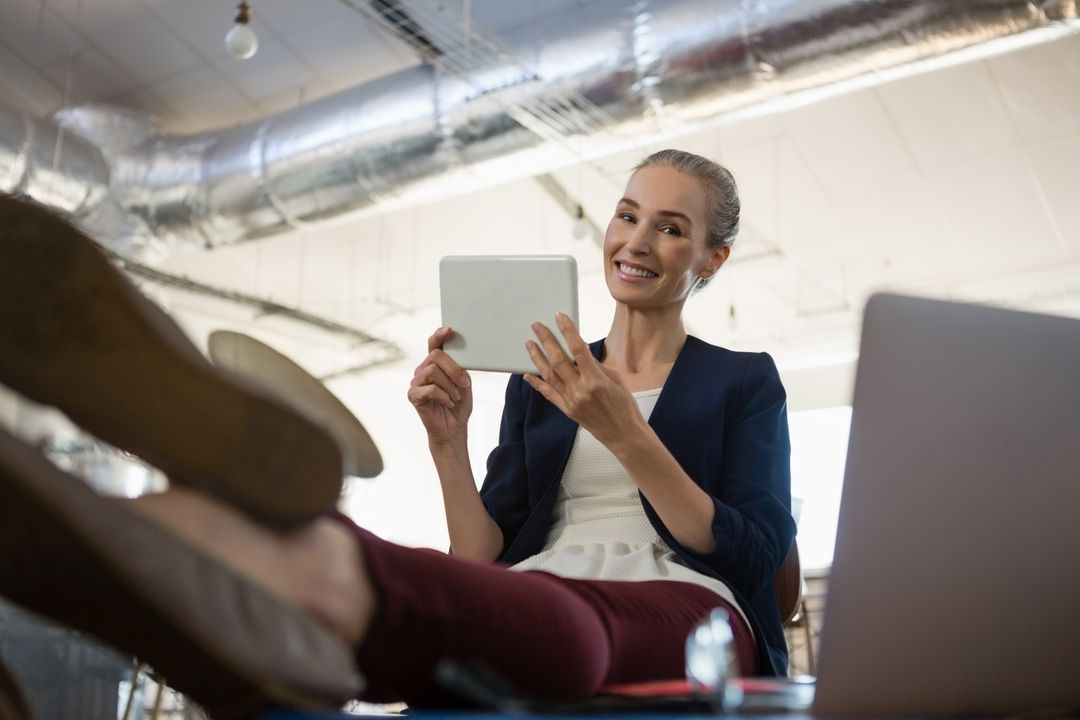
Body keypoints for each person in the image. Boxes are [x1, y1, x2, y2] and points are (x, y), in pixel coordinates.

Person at [0, 149, 794, 719]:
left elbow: (755, 553)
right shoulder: (541, 377)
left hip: (695, 607)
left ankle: (248, 551)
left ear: (711, 260)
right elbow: (482, 554)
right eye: (627, 215)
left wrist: (627, 435)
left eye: (670, 229)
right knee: (489, 613)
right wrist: (447, 443)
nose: (636, 242)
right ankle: (213, 547)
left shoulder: (744, 379)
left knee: (577, 634)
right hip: (540, 577)